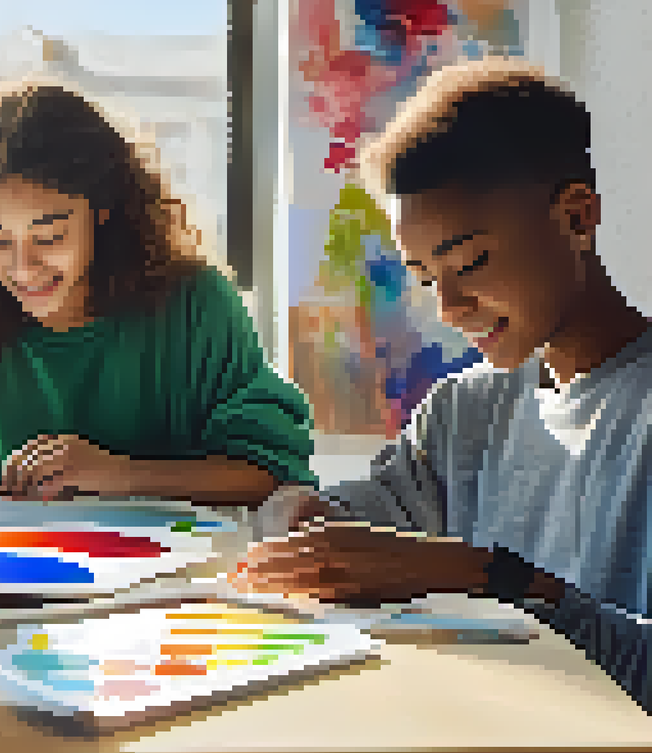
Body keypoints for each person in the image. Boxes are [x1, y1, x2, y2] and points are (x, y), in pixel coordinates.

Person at [231, 59, 652, 710]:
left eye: (470, 262)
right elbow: (359, 519)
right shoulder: (463, 409)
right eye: (427, 278)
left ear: (576, 218)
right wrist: (300, 519)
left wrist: (491, 578)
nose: (449, 308)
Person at [0, 83, 315, 507]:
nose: (23, 268)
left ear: (103, 212)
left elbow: (270, 472)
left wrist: (119, 474)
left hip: (166, 589)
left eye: (49, 237)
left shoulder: (195, 304)